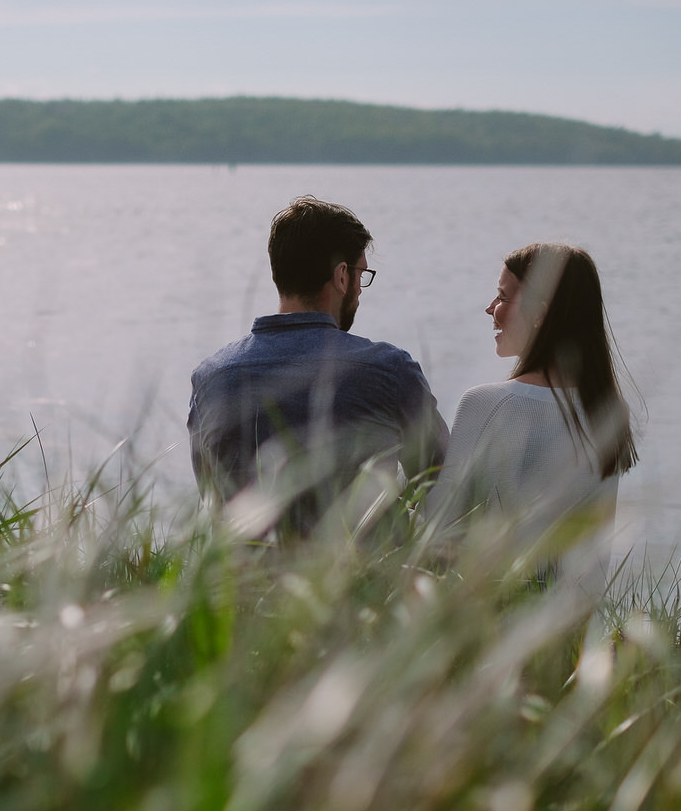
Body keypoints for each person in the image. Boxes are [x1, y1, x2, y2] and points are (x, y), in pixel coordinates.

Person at [187, 196, 448, 537]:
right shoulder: (389, 370)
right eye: (361, 275)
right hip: (364, 583)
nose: (359, 290)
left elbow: (210, 492)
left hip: (241, 585)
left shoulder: (211, 378)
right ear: (342, 276)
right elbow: (443, 479)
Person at [433, 243, 637, 570]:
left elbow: (439, 530)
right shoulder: (609, 412)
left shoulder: (484, 405)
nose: (490, 308)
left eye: (502, 297)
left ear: (540, 313)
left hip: (489, 614)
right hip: (572, 617)